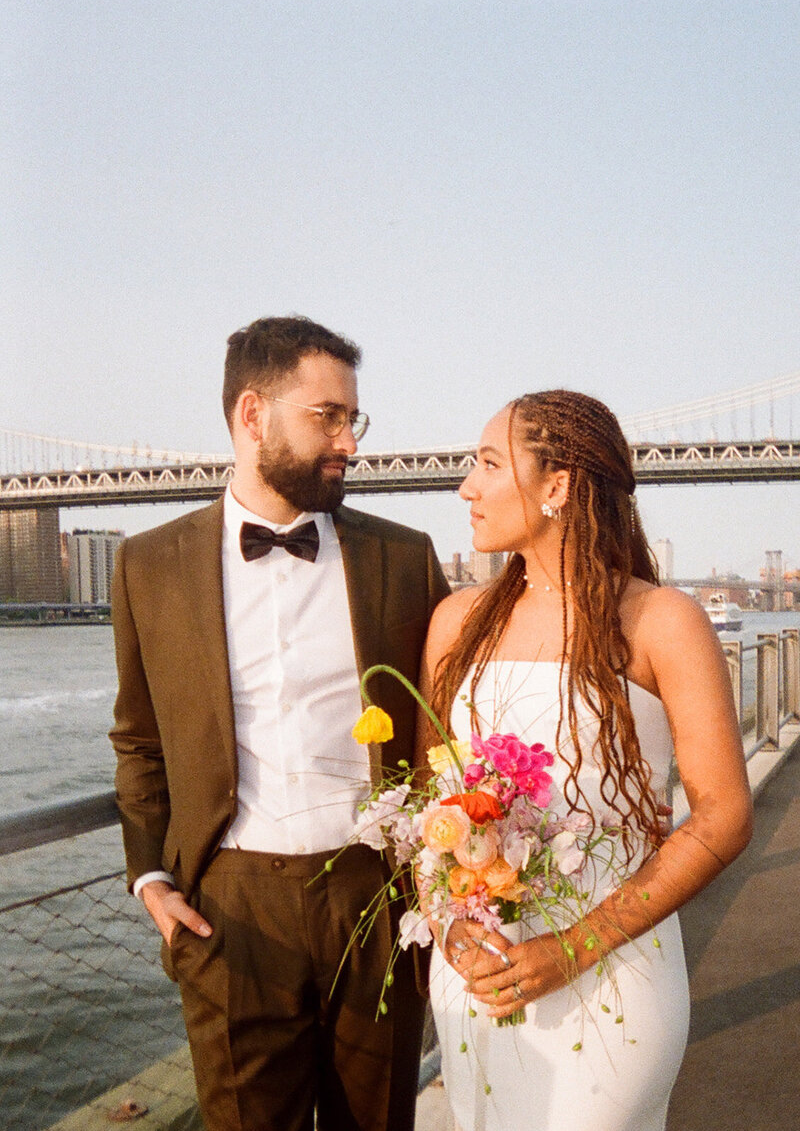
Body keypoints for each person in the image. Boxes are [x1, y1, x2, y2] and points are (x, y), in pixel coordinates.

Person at [110, 315, 450, 1131]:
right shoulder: (147, 563)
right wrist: (150, 878)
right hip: (230, 910)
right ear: (252, 415)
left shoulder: (404, 557)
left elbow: (445, 729)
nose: (351, 442)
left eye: (353, 418)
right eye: (327, 416)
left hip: (376, 897)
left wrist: (439, 878)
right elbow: (139, 736)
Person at [418, 390, 753, 1131]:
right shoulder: (453, 623)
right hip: (477, 984)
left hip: (612, 978)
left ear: (559, 485)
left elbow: (725, 815)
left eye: (488, 462)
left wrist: (573, 946)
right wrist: (449, 926)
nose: (466, 485)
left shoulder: (664, 621)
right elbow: (425, 804)